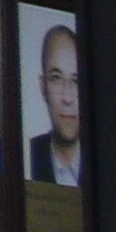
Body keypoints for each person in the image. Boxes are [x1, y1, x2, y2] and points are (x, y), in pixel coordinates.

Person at [26, 17, 81, 188]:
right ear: (43, 87)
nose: (67, 98)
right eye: (56, 78)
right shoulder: (27, 153)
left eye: (76, 81)